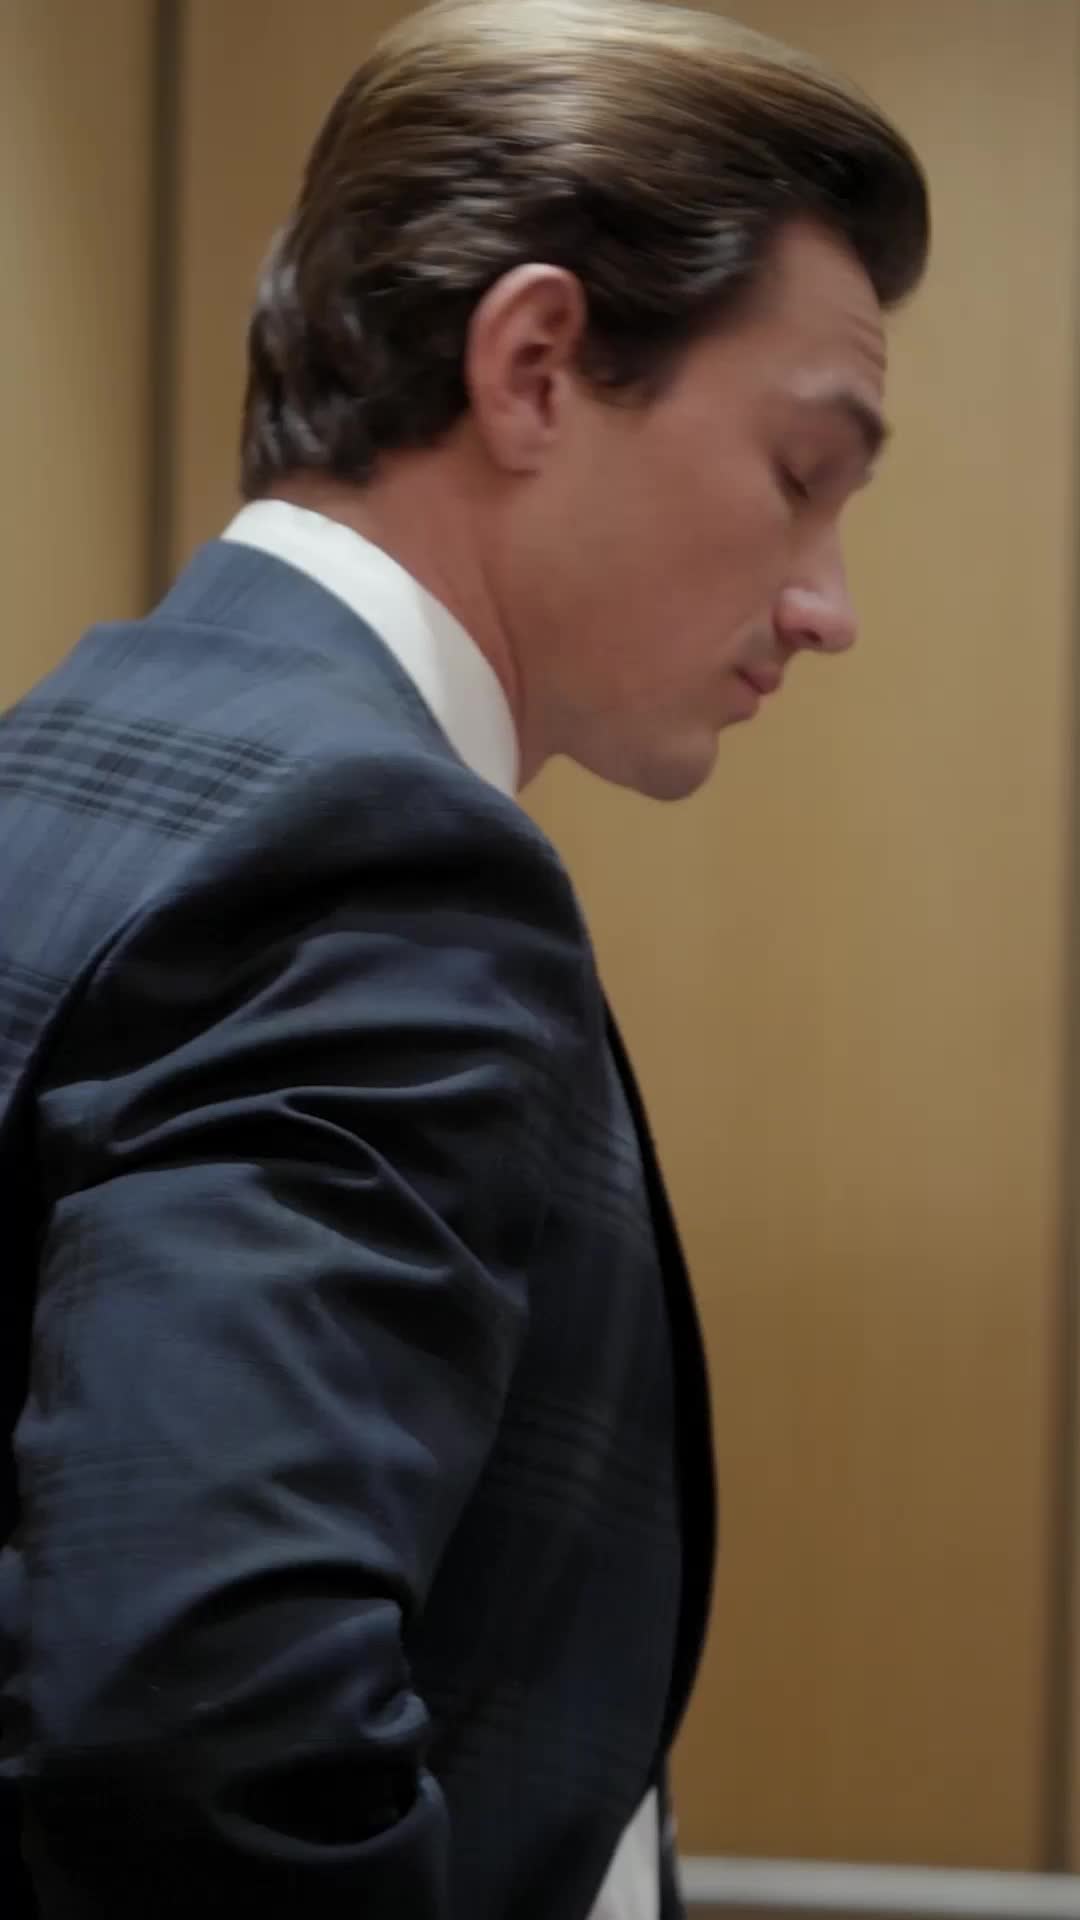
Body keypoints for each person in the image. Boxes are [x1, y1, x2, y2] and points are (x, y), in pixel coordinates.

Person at [0, 2, 929, 1914]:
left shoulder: (62, 758)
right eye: (800, 473)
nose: (828, 603)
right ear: (533, 368)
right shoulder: (375, 858)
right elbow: (200, 1730)